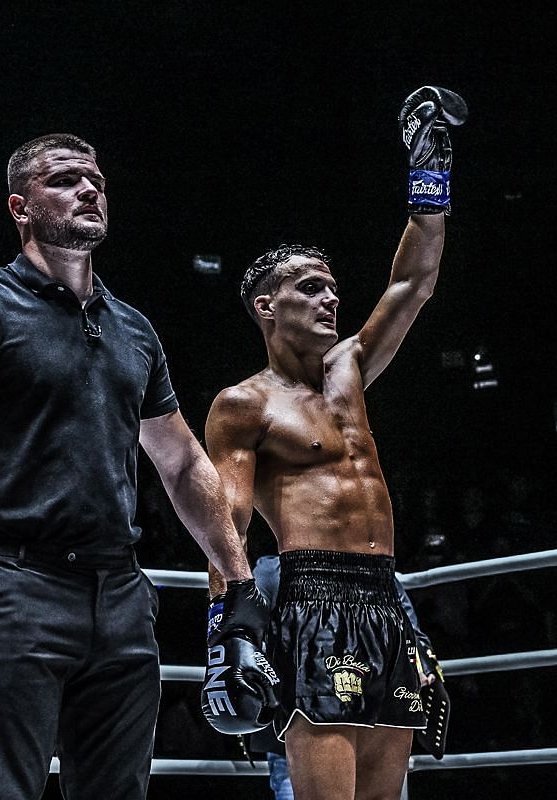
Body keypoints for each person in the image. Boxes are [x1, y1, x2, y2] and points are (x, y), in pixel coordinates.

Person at [0, 133, 267, 800]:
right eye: (66, 180)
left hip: (121, 594)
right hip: (11, 587)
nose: (90, 189)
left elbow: (183, 462)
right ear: (21, 207)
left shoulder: (133, 329)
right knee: (3, 793)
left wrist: (240, 582)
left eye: (96, 180)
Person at [204, 87, 467, 799]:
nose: (331, 299)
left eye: (333, 289)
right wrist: (225, 633)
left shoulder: (349, 370)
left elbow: (414, 280)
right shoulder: (242, 405)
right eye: (311, 288)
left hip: (387, 595)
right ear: (266, 306)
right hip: (310, 596)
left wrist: (428, 173)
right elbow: (223, 519)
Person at [248, 555, 444, 798]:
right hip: (301, 712)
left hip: (367, 710)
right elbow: (249, 628)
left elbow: (411, 632)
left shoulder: (372, 570)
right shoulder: (275, 570)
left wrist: (421, 663)